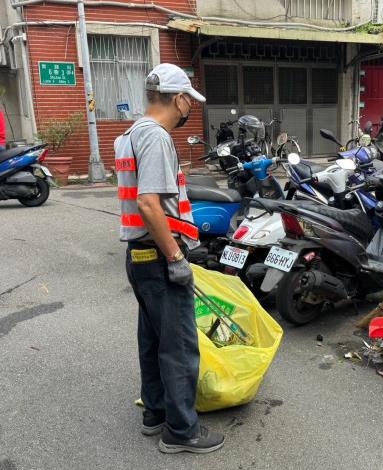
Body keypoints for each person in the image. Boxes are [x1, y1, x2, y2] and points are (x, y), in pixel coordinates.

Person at [114, 63, 225, 454]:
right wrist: (176, 256)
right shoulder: (156, 137)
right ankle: (181, 431)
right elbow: (148, 203)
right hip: (159, 258)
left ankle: (155, 413)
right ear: (178, 99)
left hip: (138, 257)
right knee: (178, 345)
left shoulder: (127, 135)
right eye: (187, 103)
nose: (187, 110)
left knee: (152, 338)